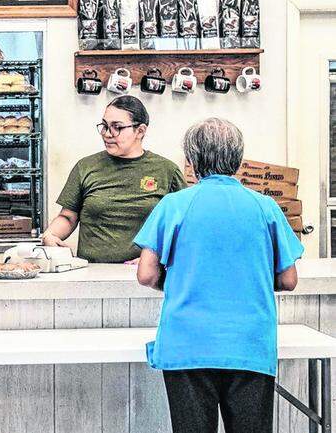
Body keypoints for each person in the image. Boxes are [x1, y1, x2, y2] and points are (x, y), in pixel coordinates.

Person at [134, 118, 303, 433]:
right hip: (249, 346)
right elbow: (289, 280)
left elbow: (146, 274)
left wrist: (176, 281)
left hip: (187, 346)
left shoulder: (173, 205)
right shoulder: (265, 207)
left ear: (192, 160)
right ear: (238, 161)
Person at [42, 95, 185, 263]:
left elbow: (184, 226)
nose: (107, 134)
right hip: (92, 275)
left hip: (145, 276)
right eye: (104, 126)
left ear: (140, 131)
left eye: (116, 127)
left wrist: (157, 257)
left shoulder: (167, 170)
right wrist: (50, 235)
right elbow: (68, 217)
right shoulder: (86, 166)